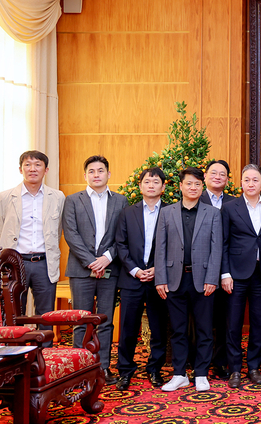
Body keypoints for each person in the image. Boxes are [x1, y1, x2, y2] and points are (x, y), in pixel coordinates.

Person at [155, 168, 222, 392]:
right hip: (174, 279)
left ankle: (201, 374)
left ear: (202, 187)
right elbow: (160, 247)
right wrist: (160, 279)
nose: (193, 188)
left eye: (197, 184)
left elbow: (216, 249)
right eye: (189, 184)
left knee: (204, 329)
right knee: (178, 330)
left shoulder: (212, 213)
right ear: (181, 186)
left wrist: (213, 277)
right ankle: (179, 374)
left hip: (203, 280)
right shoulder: (167, 213)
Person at [62, 155, 128, 385]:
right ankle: (79, 370)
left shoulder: (121, 201)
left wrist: (107, 258)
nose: (96, 174)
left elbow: (123, 234)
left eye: (101, 170)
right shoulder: (72, 200)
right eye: (91, 171)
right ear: (85, 176)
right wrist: (92, 261)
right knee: (81, 320)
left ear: (109, 174)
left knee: (105, 321)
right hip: (82, 269)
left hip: (109, 269)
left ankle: (102, 368)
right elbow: (71, 234)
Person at [0, 150, 65, 346]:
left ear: (46, 170)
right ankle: (16, 361)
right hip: (15, 265)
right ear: (20, 169)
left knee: (46, 316)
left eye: (37, 165)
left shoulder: (57, 197)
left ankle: (44, 359)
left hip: (44, 263)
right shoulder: (5, 197)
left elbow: (59, 230)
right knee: (15, 313)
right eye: (28, 164)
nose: (32, 169)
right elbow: (1, 231)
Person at [114, 167, 169, 390]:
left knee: (159, 328)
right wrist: (135, 270)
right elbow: (121, 245)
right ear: (140, 186)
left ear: (163, 187)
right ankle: (125, 371)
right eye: (147, 182)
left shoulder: (170, 212)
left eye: (156, 182)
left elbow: (175, 246)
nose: (151, 185)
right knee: (128, 328)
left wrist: (157, 269)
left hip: (159, 279)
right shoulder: (128, 213)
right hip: (132, 280)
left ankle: (155, 370)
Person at [220, 165, 261, 388]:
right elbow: (223, 243)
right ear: (241, 183)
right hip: (235, 274)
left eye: (255, 180)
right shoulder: (229, 207)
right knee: (233, 324)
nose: (251, 184)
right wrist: (225, 273)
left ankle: (254, 367)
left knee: (258, 323)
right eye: (246, 180)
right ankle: (234, 369)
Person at [199, 159, 236, 380]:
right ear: (205, 176)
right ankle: (199, 362)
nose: (218, 177)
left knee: (224, 320)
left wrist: (226, 271)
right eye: (214, 173)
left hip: (227, 272)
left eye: (222, 174)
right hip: (201, 272)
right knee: (201, 321)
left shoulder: (233, 203)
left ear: (228, 179)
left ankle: (220, 363)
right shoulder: (196, 199)